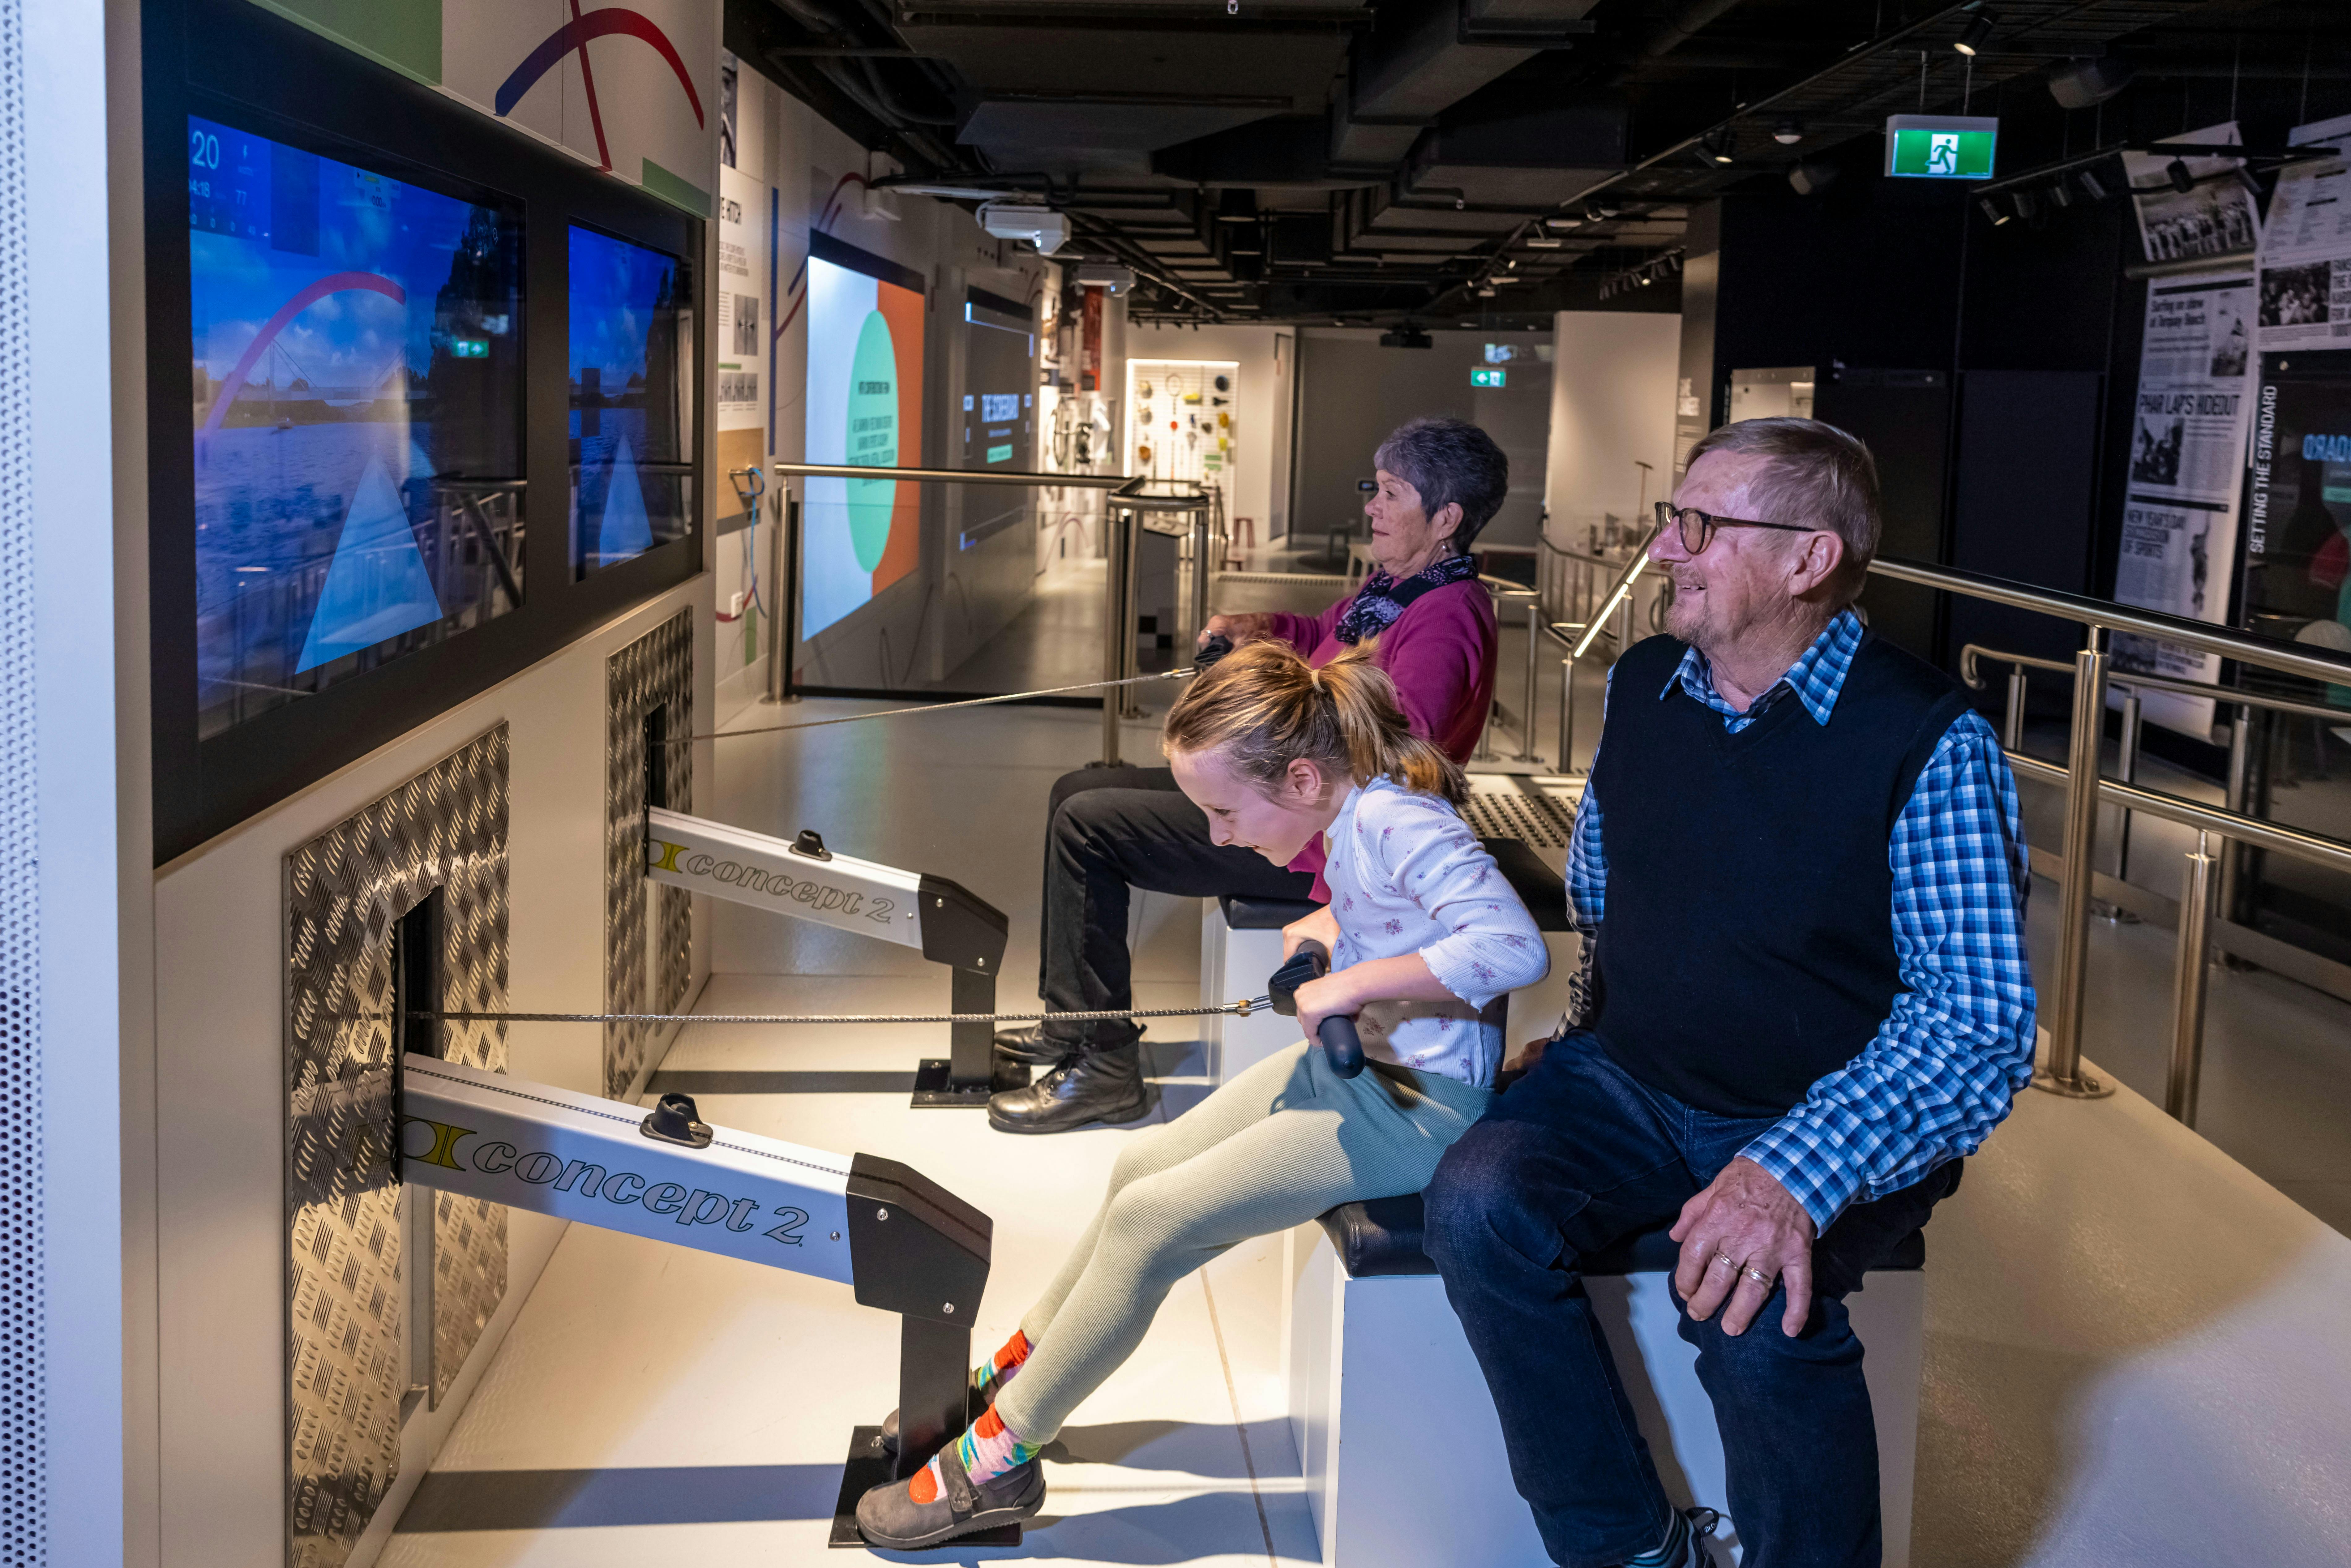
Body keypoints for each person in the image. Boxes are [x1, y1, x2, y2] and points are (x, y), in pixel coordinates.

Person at [1422, 418, 2036, 1568]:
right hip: (1632, 1077)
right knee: (1475, 1203)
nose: (1666, 550)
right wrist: (1574, 1039)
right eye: (1673, 521)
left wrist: (1786, 1176)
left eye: (1701, 526)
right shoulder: (1648, 681)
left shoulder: (1928, 739)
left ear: (1807, 560)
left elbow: (1977, 1029)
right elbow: (1606, 893)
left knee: (1756, 1321)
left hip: (1815, 1108)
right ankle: (1629, 1549)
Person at [857, 639, 1548, 1548]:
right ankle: (1025, 1375)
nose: (1218, 835)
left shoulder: (1401, 821)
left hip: (1416, 1106)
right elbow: (1379, 910)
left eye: (1223, 811)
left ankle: (996, 1463)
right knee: (1142, 1161)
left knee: (1153, 1220)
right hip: (1358, 1072)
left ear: (1300, 777)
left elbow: (1512, 947)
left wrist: (1342, 986)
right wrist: (1324, 928)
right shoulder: (1355, 813)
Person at [988, 416, 1507, 1134]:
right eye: (1375, 489)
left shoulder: (1446, 615)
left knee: (1089, 827)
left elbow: (1390, 750)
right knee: (1075, 790)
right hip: (1286, 799)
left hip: (1324, 841)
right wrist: (1255, 629)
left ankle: (1104, 1066)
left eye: (1391, 493)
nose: (1372, 507)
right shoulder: (1396, 590)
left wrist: (1282, 711)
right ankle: (1073, 1023)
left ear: (1446, 518)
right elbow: (1324, 635)